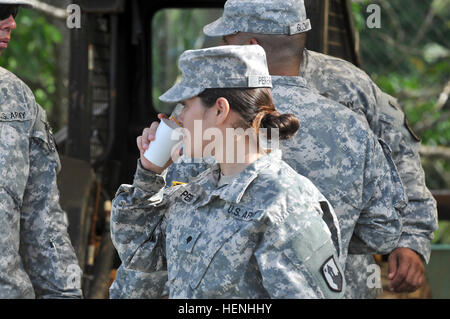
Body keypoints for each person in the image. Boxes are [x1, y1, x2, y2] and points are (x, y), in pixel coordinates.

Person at [199, 0, 438, 298]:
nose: (222, 45)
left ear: (252, 45)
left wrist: (412, 239)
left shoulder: (348, 84)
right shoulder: (211, 90)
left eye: (228, 37)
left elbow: (400, 153)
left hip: (337, 280)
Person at [110, 45, 346, 298]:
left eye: (185, 106)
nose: (176, 119)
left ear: (220, 110)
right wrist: (150, 173)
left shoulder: (285, 203)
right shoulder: (200, 189)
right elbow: (141, 254)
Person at [0, 0, 82, 298]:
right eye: (1, 12)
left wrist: (66, 294)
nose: (11, 23)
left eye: (14, 13)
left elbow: (44, 219)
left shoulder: (17, 99)